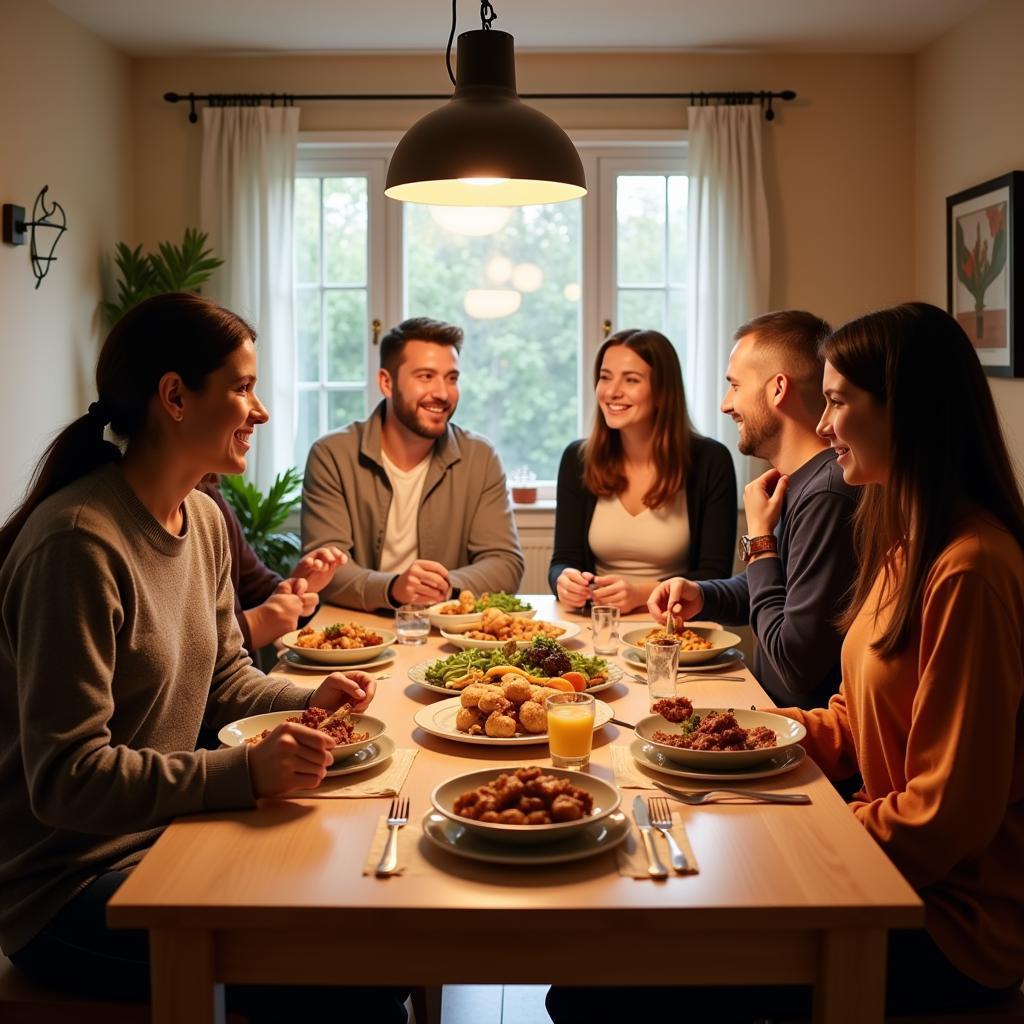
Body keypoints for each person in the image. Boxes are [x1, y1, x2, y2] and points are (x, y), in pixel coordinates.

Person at [548, 302, 1024, 1021]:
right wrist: (723, 741)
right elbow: (853, 714)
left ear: (907, 412)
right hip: (882, 867)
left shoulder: (971, 568)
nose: (823, 424)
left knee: (597, 990)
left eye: (837, 402)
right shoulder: (906, 545)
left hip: (944, 921)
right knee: (597, 961)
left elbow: (946, 815)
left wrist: (802, 836)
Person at [0, 293, 408, 1022]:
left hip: (171, 837)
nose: (261, 412)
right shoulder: (80, 544)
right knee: (359, 973)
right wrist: (242, 771)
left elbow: (225, 681)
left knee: (377, 925)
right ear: (175, 397)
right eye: (244, 387)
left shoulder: (205, 520)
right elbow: (66, 781)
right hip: (67, 887)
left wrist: (307, 702)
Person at [648, 311, 858, 710]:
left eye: (735, 386)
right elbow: (781, 587)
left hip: (804, 746)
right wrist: (703, 596)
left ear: (778, 389)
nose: (727, 405)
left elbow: (794, 665)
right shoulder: (798, 481)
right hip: (770, 714)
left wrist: (760, 541)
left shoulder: (828, 494)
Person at [302, 316, 524, 612]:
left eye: (452, 378)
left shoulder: (480, 457)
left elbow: (506, 564)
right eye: (425, 376)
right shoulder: (332, 455)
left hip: (446, 634)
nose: (443, 393)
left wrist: (444, 585)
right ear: (386, 382)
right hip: (361, 632)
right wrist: (394, 588)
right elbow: (325, 570)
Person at [549, 329, 736, 614]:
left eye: (631, 380)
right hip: (597, 623)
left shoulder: (711, 460)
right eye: (605, 376)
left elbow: (714, 576)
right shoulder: (577, 458)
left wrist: (642, 593)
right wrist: (563, 581)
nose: (611, 391)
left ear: (662, 391)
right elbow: (563, 560)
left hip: (673, 625)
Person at [196, 476, 345, 652]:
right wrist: (255, 624)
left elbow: (257, 587)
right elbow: (183, 650)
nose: (249, 446)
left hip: (247, 678)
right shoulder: (195, 508)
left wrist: (296, 589)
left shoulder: (214, 502)